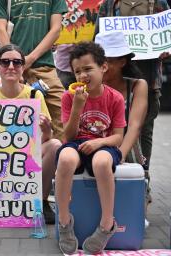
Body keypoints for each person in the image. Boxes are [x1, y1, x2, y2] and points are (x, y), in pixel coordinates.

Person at [55, 41, 126, 255]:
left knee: (101, 162)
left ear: (103, 67)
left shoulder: (115, 98)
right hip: (77, 142)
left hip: (103, 144)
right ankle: (64, 221)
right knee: (66, 158)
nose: (82, 75)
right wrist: (77, 107)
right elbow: (68, 137)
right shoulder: (69, 97)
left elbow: (118, 138)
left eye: (88, 69)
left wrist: (98, 142)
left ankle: (106, 224)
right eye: (77, 71)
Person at [95, 0, 170, 201]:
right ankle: (108, 177)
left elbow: (167, 36)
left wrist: (167, 50)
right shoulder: (109, 4)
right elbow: (97, 40)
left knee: (143, 131)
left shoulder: (159, 3)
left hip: (147, 80)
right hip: (112, 81)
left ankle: (141, 179)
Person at [0, 44, 62, 224]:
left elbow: (46, 139)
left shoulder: (35, 96)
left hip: (28, 157)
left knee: (55, 145)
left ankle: (40, 201)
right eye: (5, 62)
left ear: (23, 67)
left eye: (17, 62)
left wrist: (47, 129)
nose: (11, 66)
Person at [0, 0, 68, 140]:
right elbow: (0, 29)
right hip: (11, 69)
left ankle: (64, 158)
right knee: (9, 122)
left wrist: (29, 59)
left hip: (43, 66)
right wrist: (15, 62)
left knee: (62, 117)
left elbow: (56, 29)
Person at [95, 31, 148, 165]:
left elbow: (134, 125)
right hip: (94, 152)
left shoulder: (138, 86)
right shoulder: (89, 86)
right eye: (99, 62)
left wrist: (120, 156)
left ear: (122, 62)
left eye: (108, 61)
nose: (103, 67)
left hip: (127, 155)